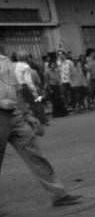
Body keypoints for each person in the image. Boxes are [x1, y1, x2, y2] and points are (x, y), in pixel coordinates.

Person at [0, 49, 82, 208]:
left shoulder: (5, 60)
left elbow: (16, 90)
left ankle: (59, 194)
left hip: (15, 114)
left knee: (36, 155)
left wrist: (28, 114)